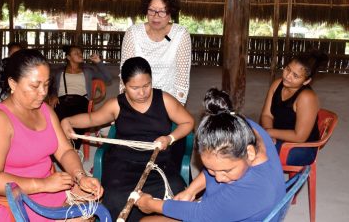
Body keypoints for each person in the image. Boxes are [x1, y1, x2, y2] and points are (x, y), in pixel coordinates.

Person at [0, 49, 103, 221]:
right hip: (12, 199)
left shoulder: (45, 111)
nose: (43, 92)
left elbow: (64, 151)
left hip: (46, 191)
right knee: (81, 217)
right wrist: (43, 184)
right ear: (12, 84)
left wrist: (80, 176)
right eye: (35, 86)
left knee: (93, 198)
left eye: (46, 84)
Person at [61, 57, 194, 221]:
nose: (142, 93)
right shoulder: (116, 105)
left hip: (159, 163)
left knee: (176, 189)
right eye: (135, 88)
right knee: (115, 197)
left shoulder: (164, 100)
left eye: (147, 85)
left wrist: (169, 138)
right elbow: (91, 119)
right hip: (123, 164)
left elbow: (188, 122)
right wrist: (68, 121)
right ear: (124, 85)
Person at [135, 88, 286, 222]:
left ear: (250, 153)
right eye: (212, 170)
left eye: (226, 171)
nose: (218, 178)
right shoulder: (243, 127)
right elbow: (216, 165)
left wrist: (151, 204)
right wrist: (191, 190)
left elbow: (200, 214)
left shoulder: (253, 189)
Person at [120, 0, 191, 105]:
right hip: (137, 99)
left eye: (162, 11)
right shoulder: (133, 33)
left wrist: (177, 108)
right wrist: (126, 105)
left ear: (170, 13)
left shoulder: (181, 34)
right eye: (152, 10)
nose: (156, 16)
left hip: (169, 101)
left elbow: (182, 79)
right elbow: (125, 74)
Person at [260, 50, 328, 165]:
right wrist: (269, 136)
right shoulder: (277, 84)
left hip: (302, 147)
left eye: (295, 76)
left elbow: (299, 136)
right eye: (287, 69)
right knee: (242, 144)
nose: (288, 76)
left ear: (306, 81)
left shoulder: (306, 98)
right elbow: (267, 115)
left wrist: (269, 132)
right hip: (277, 136)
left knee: (256, 155)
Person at [50, 45, 112, 149]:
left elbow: (108, 78)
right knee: (58, 115)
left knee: (78, 117)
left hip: (81, 100)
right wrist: (53, 95)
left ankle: (74, 147)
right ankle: (63, 145)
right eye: (76, 53)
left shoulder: (87, 71)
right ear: (68, 57)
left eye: (80, 52)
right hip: (62, 100)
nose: (80, 54)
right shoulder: (59, 71)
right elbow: (52, 86)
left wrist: (98, 62)